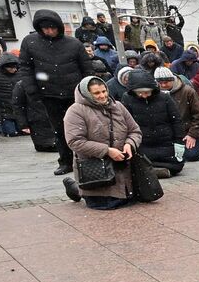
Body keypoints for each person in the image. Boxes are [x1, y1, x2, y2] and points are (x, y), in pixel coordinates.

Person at [15, 9, 89, 175]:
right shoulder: (30, 42)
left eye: (52, 27)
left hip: (74, 92)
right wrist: (32, 90)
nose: (49, 31)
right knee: (59, 129)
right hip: (49, 93)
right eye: (45, 28)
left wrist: (87, 90)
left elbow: (86, 68)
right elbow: (26, 68)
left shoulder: (73, 44)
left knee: (81, 128)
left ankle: (84, 159)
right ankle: (66, 161)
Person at [61, 75, 142, 210]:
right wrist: (107, 151)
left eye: (104, 91)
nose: (102, 96)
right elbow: (75, 141)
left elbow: (135, 131)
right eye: (97, 93)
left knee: (143, 195)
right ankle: (76, 189)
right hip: (96, 167)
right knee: (108, 204)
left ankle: (76, 189)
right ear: (87, 94)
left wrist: (130, 144)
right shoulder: (76, 111)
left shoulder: (118, 106)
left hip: (123, 165)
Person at [121, 69, 185, 176]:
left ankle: (152, 170)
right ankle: (155, 170)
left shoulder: (164, 97)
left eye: (147, 92)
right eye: (140, 93)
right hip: (143, 142)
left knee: (177, 164)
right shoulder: (128, 99)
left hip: (165, 140)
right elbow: (126, 124)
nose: (144, 96)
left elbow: (176, 120)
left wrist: (179, 141)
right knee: (140, 161)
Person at [155, 67, 199, 162]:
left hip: (185, 130)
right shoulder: (154, 94)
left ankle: (197, 147)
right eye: (160, 83)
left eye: (166, 82)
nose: (163, 85)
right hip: (165, 133)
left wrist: (192, 134)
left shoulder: (187, 91)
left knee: (191, 156)